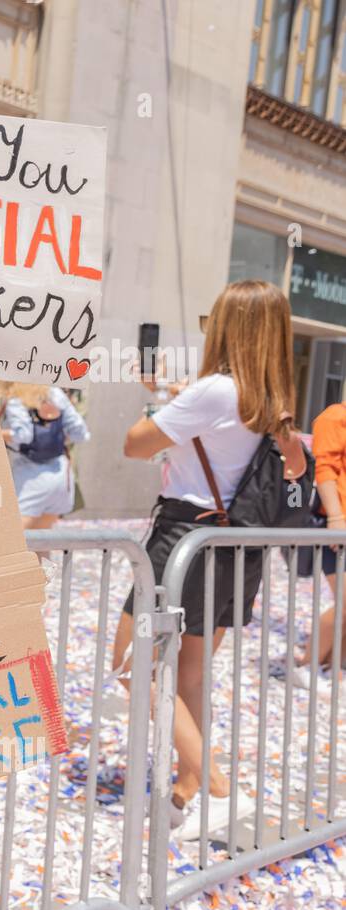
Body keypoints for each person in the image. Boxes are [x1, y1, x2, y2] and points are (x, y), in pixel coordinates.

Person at [112, 280, 297, 842]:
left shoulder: (215, 390)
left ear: (226, 326)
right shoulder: (272, 398)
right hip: (232, 548)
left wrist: (170, 400)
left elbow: (134, 443)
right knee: (188, 672)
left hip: (185, 539)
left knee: (132, 663)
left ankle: (216, 786)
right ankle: (187, 791)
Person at [287, 400, 346, 687]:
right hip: (338, 525)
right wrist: (336, 516)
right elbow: (325, 470)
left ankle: (332, 664)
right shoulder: (335, 417)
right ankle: (308, 665)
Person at [0, 381, 90, 531]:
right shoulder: (55, 393)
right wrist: (55, 438)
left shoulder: (16, 399)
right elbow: (81, 434)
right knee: (43, 542)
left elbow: (23, 435)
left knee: (17, 540)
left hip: (30, 479)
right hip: (60, 476)